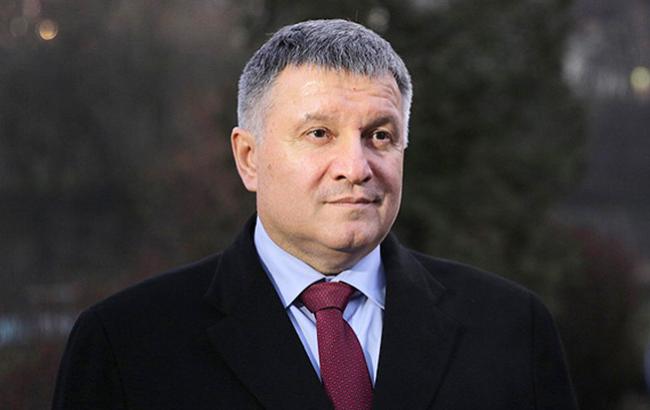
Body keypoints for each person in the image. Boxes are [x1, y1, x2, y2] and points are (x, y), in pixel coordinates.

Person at [52, 19, 578, 410]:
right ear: (249, 158)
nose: (356, 167)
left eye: (380, 136)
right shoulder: (127, 344)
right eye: (319, 133)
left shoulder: (511, 328)